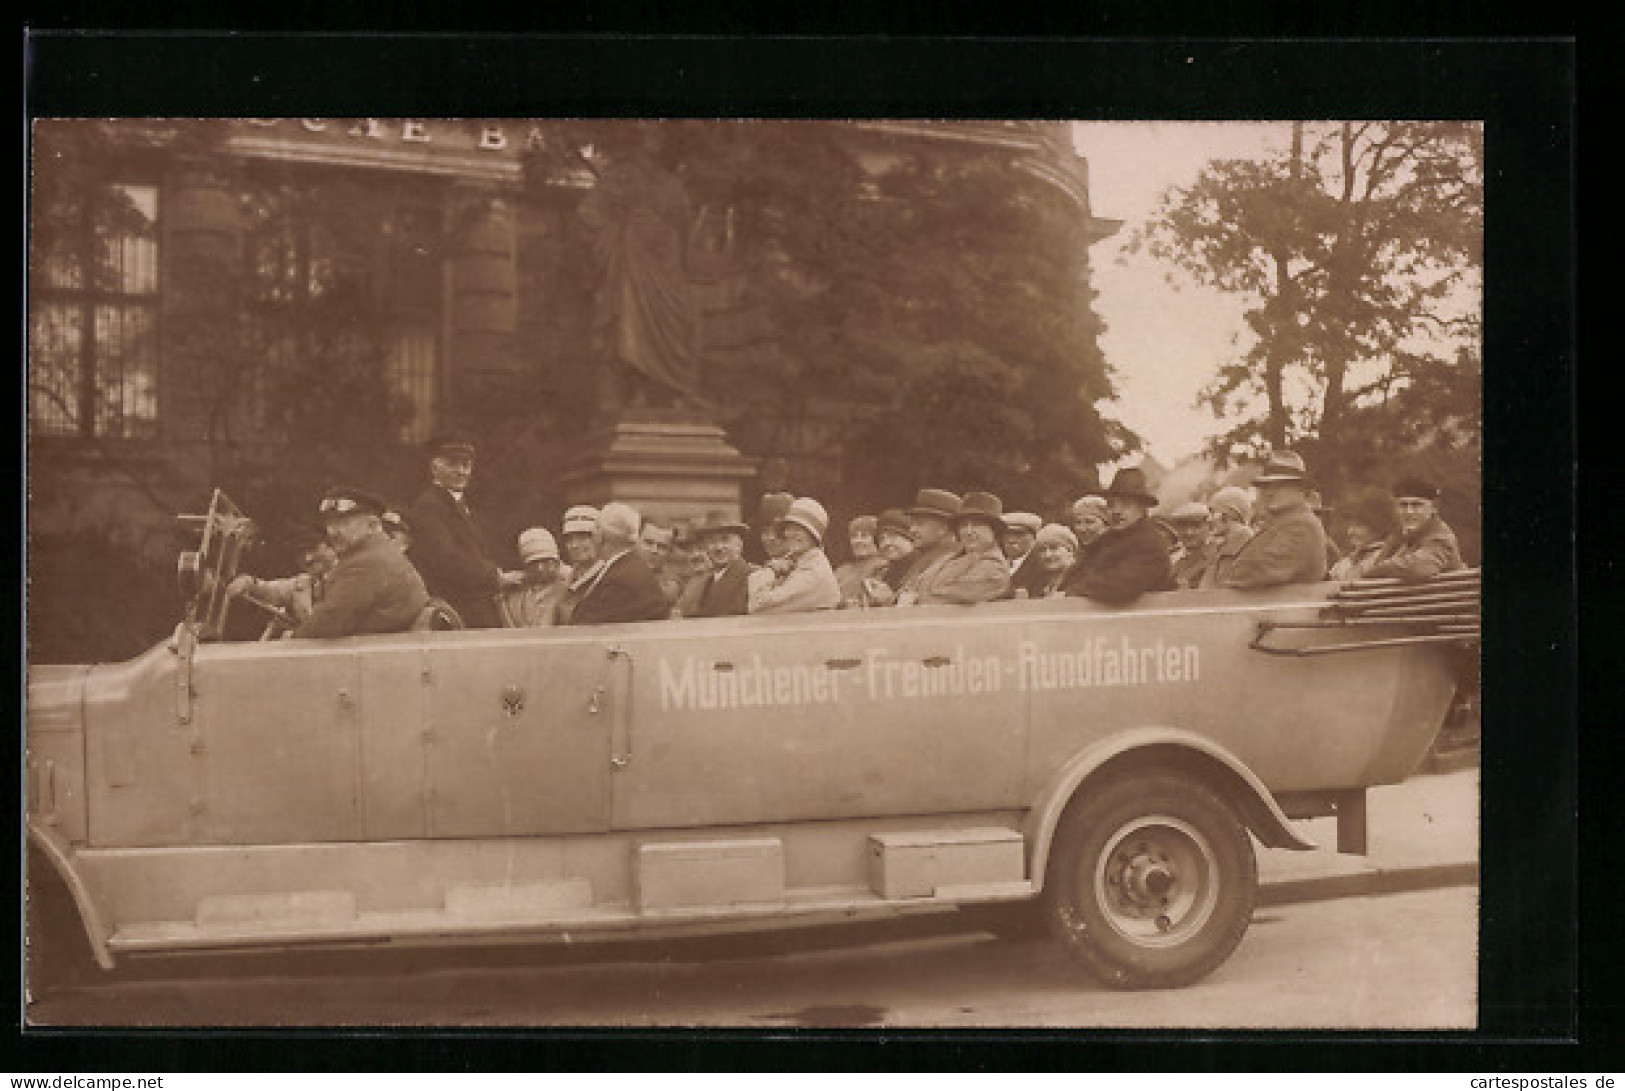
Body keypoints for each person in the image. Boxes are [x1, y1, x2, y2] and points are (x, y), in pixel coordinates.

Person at [406, 433, 518, 629]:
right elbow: (445, 560)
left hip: (476, 603)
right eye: (453, 464)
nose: (460, 471)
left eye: (465, 465)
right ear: (434, 467)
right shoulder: (428, 507)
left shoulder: (462, 505)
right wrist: (494, 576)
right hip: (456, 608)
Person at [292, 486, 429, 639]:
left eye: (343, 523)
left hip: (375, 657)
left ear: (372, 526)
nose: (332, 532)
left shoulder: (364, 564)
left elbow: (326, 624)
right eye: (330, 524)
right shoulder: (383, 552)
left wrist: (292, 639)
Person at [1221, 451, 1329, 589]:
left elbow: (1256, 572)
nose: (1270, 492)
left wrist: (1227, 576)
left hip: (1287, 608)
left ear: (1301, 489)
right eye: (1266, 486)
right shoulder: (1282, 524)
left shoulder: (1302, 526)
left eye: (1280, 484)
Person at [1066, 468, 1173, 604]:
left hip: (1139, 621)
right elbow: (1076, 573)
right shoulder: (1106, 540)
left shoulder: (1151, 545)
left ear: (1142, 507)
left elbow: (1121, 587)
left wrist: (1075, 590)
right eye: (1111, 504)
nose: (1116, 511)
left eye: (1125, 504)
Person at [569, 502, 670, 625]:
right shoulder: (625, 568)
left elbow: (585, 624)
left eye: (595, 528)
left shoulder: (620, 580)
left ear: (601, 535)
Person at [910, 491, 1012, 605]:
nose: (968, 532)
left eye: (977, 525)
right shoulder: (950, 558)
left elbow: (954, 596)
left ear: (994, 531)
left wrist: (914, 598)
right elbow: (914, 586)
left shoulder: (994, 566)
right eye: (963, 525)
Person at [226, 525, 337, 626]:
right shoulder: (301, 584)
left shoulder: (350, 577)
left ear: (330, 547)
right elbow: (269, 590)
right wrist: (247, 582)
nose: (308, 558)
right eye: (300, 554)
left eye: (313, 549)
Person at [748, 497, 842, 614]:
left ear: (814, 536)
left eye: (800, 529)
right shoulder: (796, 563)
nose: (791, 534)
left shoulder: (813, 573)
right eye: (788, 528)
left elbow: (758, 605)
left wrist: (771, 570)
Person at [1366, 475, 1464, 582]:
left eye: (1417, 505)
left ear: (1434, 508)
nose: (1409, 512)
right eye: (1403, 505)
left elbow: (1419, 567)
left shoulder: (1441, 538)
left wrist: (1373, 570)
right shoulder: (1398, 536)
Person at [883, 488, 963, 605]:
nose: (912, 530)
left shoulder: (956, 561)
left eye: (919, 524)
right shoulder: (926, 558)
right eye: (912, 523)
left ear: (943, 528)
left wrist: (888, 598)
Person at [676, 510, 753, 618]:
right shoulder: (708, 582)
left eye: (725, 539)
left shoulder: (750, 577)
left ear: (739, 544)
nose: (718, 547)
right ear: (705, 546)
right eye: (712, 541)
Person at [501, 528, 570, 627]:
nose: (540, 568)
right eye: (534, 563)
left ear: (556, 561)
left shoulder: (569, 586)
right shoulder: (516, 593)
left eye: (545, 561)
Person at [555, 505, 604, 625]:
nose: (574, 545)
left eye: (582, 538)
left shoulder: (606, 576)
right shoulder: (568, 578)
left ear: (598, 538)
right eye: (569, 539)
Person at [1198, 485, 1255, 588]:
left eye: (1212, 512)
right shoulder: (1223, 547)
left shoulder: (1246, 544)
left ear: (1227, 514)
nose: (1208, 519)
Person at [1327, 494, 1392, 582]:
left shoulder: (1383, 559)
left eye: (1358, 526)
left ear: (1377, 529)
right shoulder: (1348, 560)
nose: (1351, 532)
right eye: (1350, 526)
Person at [859, 509, 916, 608]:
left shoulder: (924, 569)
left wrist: (890, 599)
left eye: (893, 537)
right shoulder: (881, 573)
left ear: (910, 539)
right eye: (882, 539)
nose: (886, 543)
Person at [834, 515, 888, 607]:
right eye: (854, 536)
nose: (858, 541)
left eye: (864, 536)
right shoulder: (841, 571)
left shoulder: (885, 567)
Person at [1021, 523, 1080, 599]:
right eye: (1042, 550)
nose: (1047, 555)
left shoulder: (1082, 580)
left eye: (1053, 548)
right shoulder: (1038, 584)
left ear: (1069, 550)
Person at [1167, 501, 1214, 589]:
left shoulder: (1216, 556)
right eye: (1183, 527)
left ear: (1209, 526)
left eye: (1196, 526)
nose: (1189, 533)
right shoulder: (1173, 558)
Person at [1001, 511, 1045, 598]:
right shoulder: (1000, 564)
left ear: (1034, 537)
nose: (1011, 540)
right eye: (1007, 534)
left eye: (1018, 534)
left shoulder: (1041, 566)